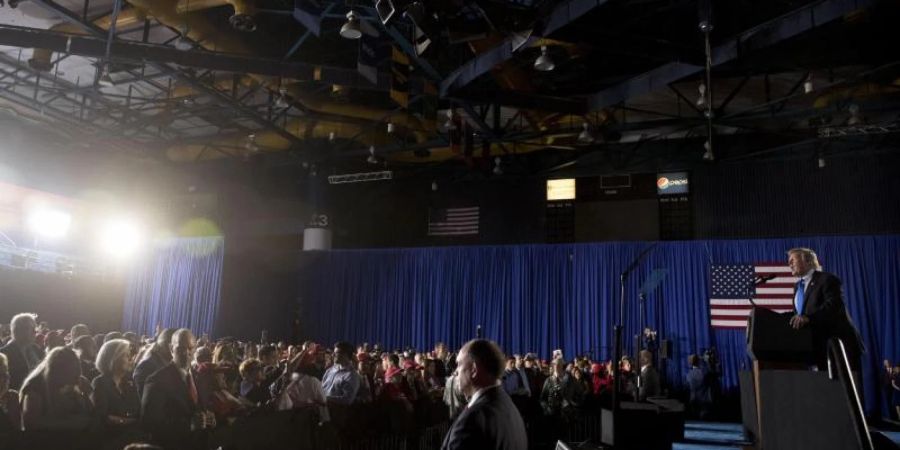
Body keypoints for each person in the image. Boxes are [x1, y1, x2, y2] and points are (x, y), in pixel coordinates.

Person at [441, 339, 527, 450]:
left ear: (473, 370)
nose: (455, 371)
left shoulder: (471, 421)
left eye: (459, 364)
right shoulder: (507, 404)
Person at [787, 248, 865, 371]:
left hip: (839, 347)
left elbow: (833, 306)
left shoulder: (827, 280)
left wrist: (808, 319)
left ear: (807, 261)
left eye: (793, 260)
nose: (789, 264)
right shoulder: (797, 286)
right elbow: (800, 314)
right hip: (817, 349)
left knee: (844, 389)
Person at [140, 328, 215, 450]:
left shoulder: (198, 376)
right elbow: (149, 423)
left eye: (190, 348)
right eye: (180, 349)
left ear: (195, 349)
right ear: (171, 349)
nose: (186, 353)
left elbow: (198, 407)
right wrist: (189, 424)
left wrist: (209, 418)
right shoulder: (157, 380)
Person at [92, 339, 144, 448]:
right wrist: (131, 421)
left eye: (131, 355)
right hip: (110, 441)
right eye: (126, 355)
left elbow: (139, 412)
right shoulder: (100, 382)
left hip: (132, 439)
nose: (131, 359)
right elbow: (104, 418)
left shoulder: (130, 382)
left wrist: (122, 420)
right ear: (113, 358)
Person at [1, 313, 45, 391]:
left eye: (35, 328)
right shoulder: (4, 354)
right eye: (31, 328)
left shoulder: (36, 349)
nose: (35, 332)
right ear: (18, 330)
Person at [133, 328, 174, 398]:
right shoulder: (147, 366)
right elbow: (143, 398)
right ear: (169, 346)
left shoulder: (170, 364)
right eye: (180, 347)